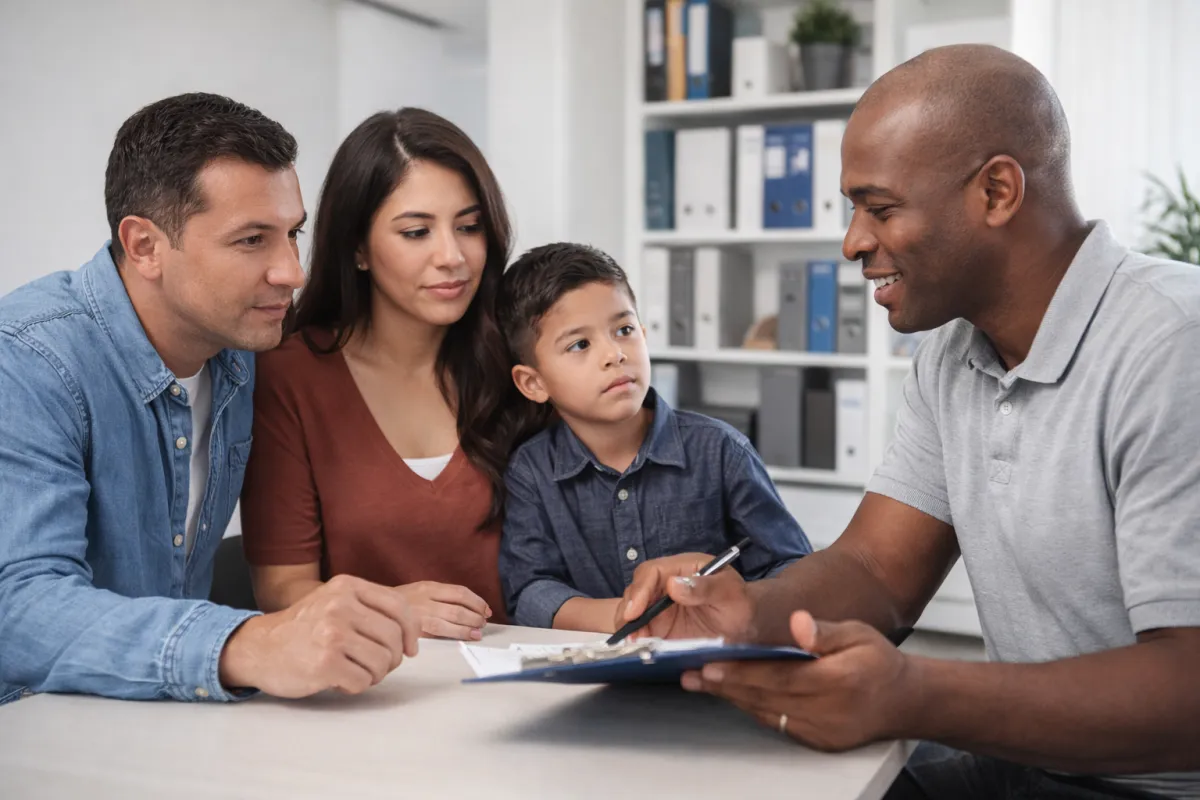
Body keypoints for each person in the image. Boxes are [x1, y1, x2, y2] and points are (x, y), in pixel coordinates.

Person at [617, 44, 1200, 800]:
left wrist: (914, 693)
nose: (853, 242)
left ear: (996, 191)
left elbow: (1190, 687)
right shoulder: (952, 355)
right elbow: (876, 572)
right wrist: (744, 612)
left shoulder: (1172, 346)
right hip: (1030, 766)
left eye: (881, 208)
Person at [0, 93, 420, 705]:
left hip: (160, 724)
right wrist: (247, 643)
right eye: (252, 240)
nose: (291, 271)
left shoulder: (242, 348)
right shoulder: (28, 359)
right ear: (144, 246)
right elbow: (19, 610)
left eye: (291, 234)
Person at [239, 108, 514, 641]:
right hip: (374, 691)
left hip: (534, 680)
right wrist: (390, 606)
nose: (452, 257)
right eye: (416, 232)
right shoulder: (288, 377)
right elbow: (282, 589)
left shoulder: (520, 365)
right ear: (358, 247)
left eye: (470, 226)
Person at [495, 243, 812, 633]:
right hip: (596, 672)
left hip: (714, 665)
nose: (614, 354)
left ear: (644, 336)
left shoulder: (720, 451)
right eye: (580, 344)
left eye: (624, 330)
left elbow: (794, 568)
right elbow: (529, 590)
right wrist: (623, 617)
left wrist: (733, 601)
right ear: (533, 382)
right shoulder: (532, 470)